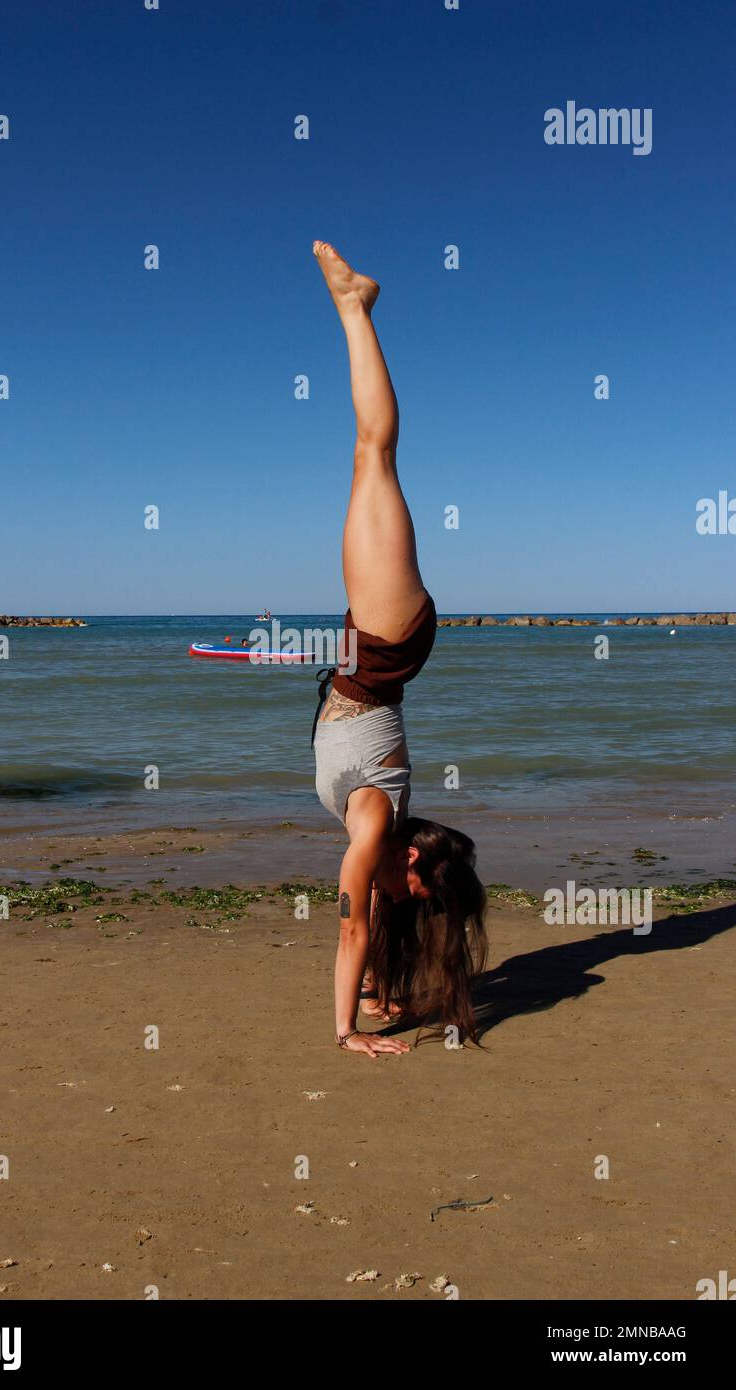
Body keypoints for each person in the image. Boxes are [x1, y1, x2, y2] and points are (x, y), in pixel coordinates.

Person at [311, 242, 487, 1060]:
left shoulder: (381, 857)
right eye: (415, 888)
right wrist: (347, 1035)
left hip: (379, 654)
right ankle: (356, 306)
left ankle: (356, 309)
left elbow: (366, 927)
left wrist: (379, 994)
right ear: (410, 856)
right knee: (372, 455)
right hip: (379, 652)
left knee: (368, 461)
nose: (400, 899)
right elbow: (348, 931)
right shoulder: (375, 826)